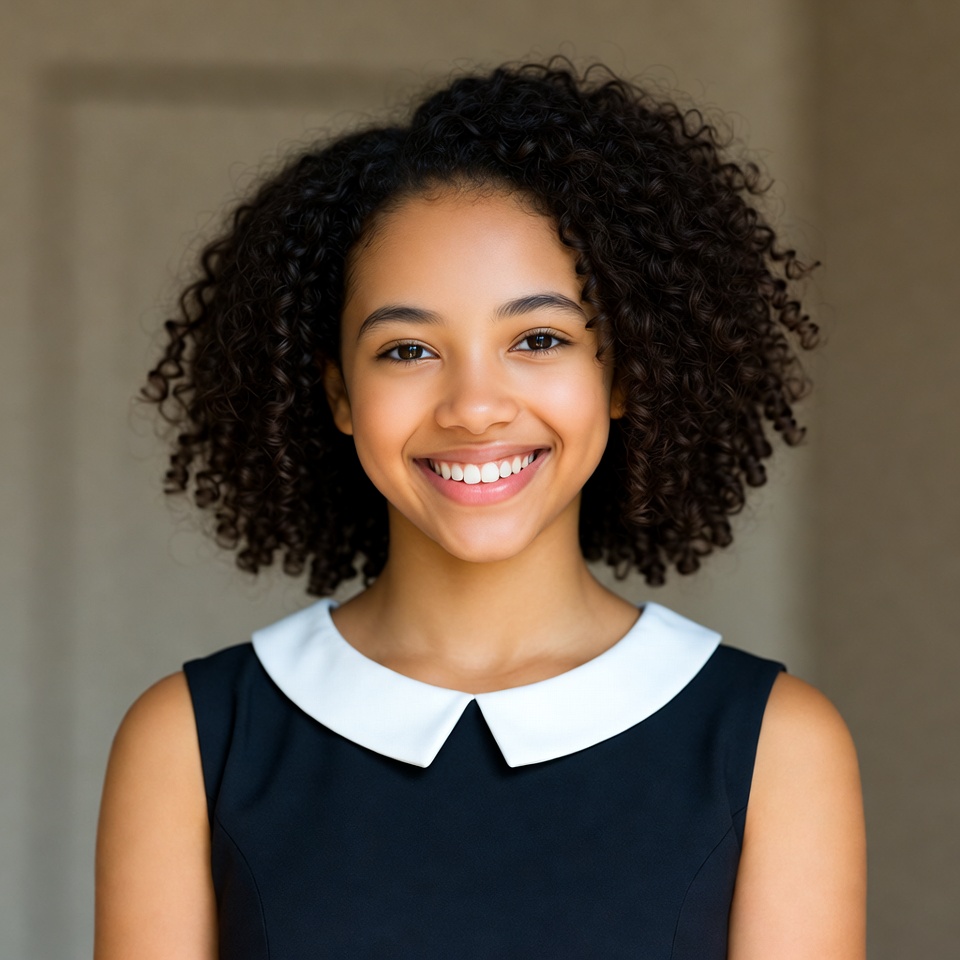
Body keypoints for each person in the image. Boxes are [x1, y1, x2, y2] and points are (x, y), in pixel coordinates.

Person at [94, 59, 866, 959]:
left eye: (538, 339)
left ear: (622, 373)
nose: (473, 405)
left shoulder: (777, 742)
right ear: (339, 396)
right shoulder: (191, 738)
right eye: (408, 349)